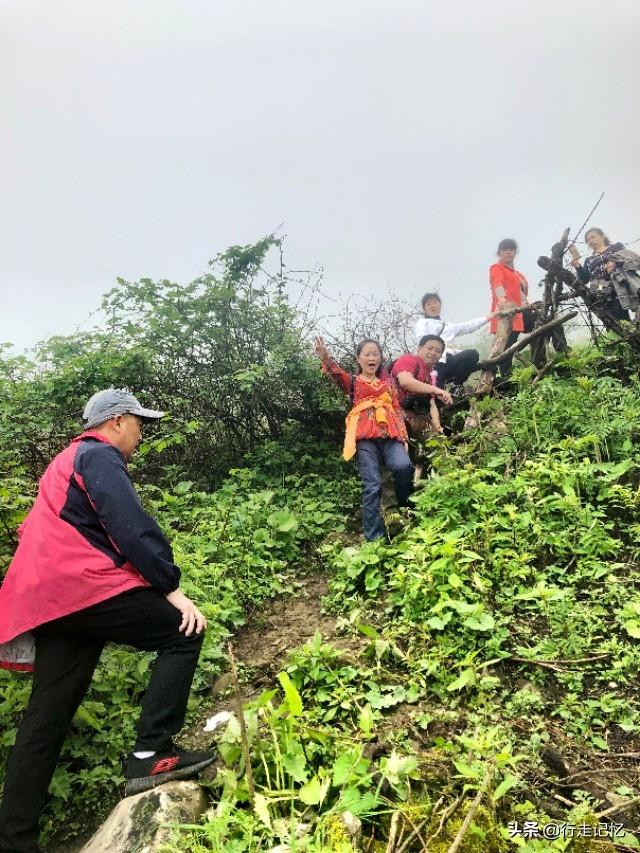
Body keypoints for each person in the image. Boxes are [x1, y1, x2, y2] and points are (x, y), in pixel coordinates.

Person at [0, 389, 214, 853]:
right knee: (184, 633)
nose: (141, 431)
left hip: (52, 603)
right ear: (117, 421)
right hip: (82, 588)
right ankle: (150, 754)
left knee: (45, 720)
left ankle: (15, 840)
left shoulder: (65, 461)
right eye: (139, 421)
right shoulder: (97, 456)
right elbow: (130, 526)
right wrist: (171, 589)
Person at [314, 337, 413, 542]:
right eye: (367, 354)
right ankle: (374, 538)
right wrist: (326, 356)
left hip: (390, 435)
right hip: (364, 438)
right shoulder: (353, 382)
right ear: (359, 359)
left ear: (380, 358)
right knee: (372, 485)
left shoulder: (389, 384)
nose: (371, 358)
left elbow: (396, 408)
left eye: (375, 354)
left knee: (404, 466)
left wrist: (403, 436)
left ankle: (405, 510)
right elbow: (336, 373)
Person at [414, 293, 497, 389]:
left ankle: (456, 385)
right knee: (437, 391)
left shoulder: (449, 326)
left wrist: (492, 316)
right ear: (424, 309)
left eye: (435, 303)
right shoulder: (422, 323)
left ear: (440, 305)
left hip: (450, 360)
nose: (432, 306)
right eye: (428, 304)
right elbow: (422, 341)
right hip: (435, 362)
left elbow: (469, 326)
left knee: (472, 355)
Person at [570, 228, 640, 321]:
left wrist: (616, 262)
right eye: (588, 240)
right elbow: (585, 279)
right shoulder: (589, 260)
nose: (590, 241)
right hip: (602, 291)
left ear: (602, 236)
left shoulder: (616, 247)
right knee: (615, 321)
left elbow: (632, 260)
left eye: (593, 237)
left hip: (621, 285)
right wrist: (578, 266)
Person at [391, 335, 452, 441]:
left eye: (438, 351)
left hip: (416, 422)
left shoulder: (430, 376)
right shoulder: (408, 359)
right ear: (419, 348)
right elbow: (405, 382)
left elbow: (431, 404)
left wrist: (438, 428)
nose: (433, 353)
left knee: (440, 444)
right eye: (430, 348)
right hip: (395, 418)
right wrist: (436, 390)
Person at [489, 239, 534, 374]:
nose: (508, 252)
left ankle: (557, 351)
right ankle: (503, 376)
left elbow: (522, 295)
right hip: (506, 313)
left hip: (519, 313)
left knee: (543, 320)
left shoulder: (519, 274)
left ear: (515, 252)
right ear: (499, 253)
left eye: (511, 249)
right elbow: (498, 283)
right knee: (505, 346)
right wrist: (502, 298)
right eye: (504, 249)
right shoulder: (496, 268)